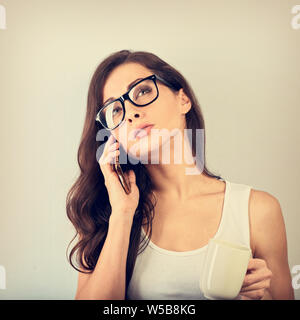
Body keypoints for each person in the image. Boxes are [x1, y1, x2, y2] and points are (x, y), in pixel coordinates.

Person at [66, 50, 294, 300]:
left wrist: (261, 296)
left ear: (182, 99)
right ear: (114, 136)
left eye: (142, 91)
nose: (130, 112)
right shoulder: (103, 213)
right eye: (115, 110)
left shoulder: (257, 210)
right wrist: (122, 213)